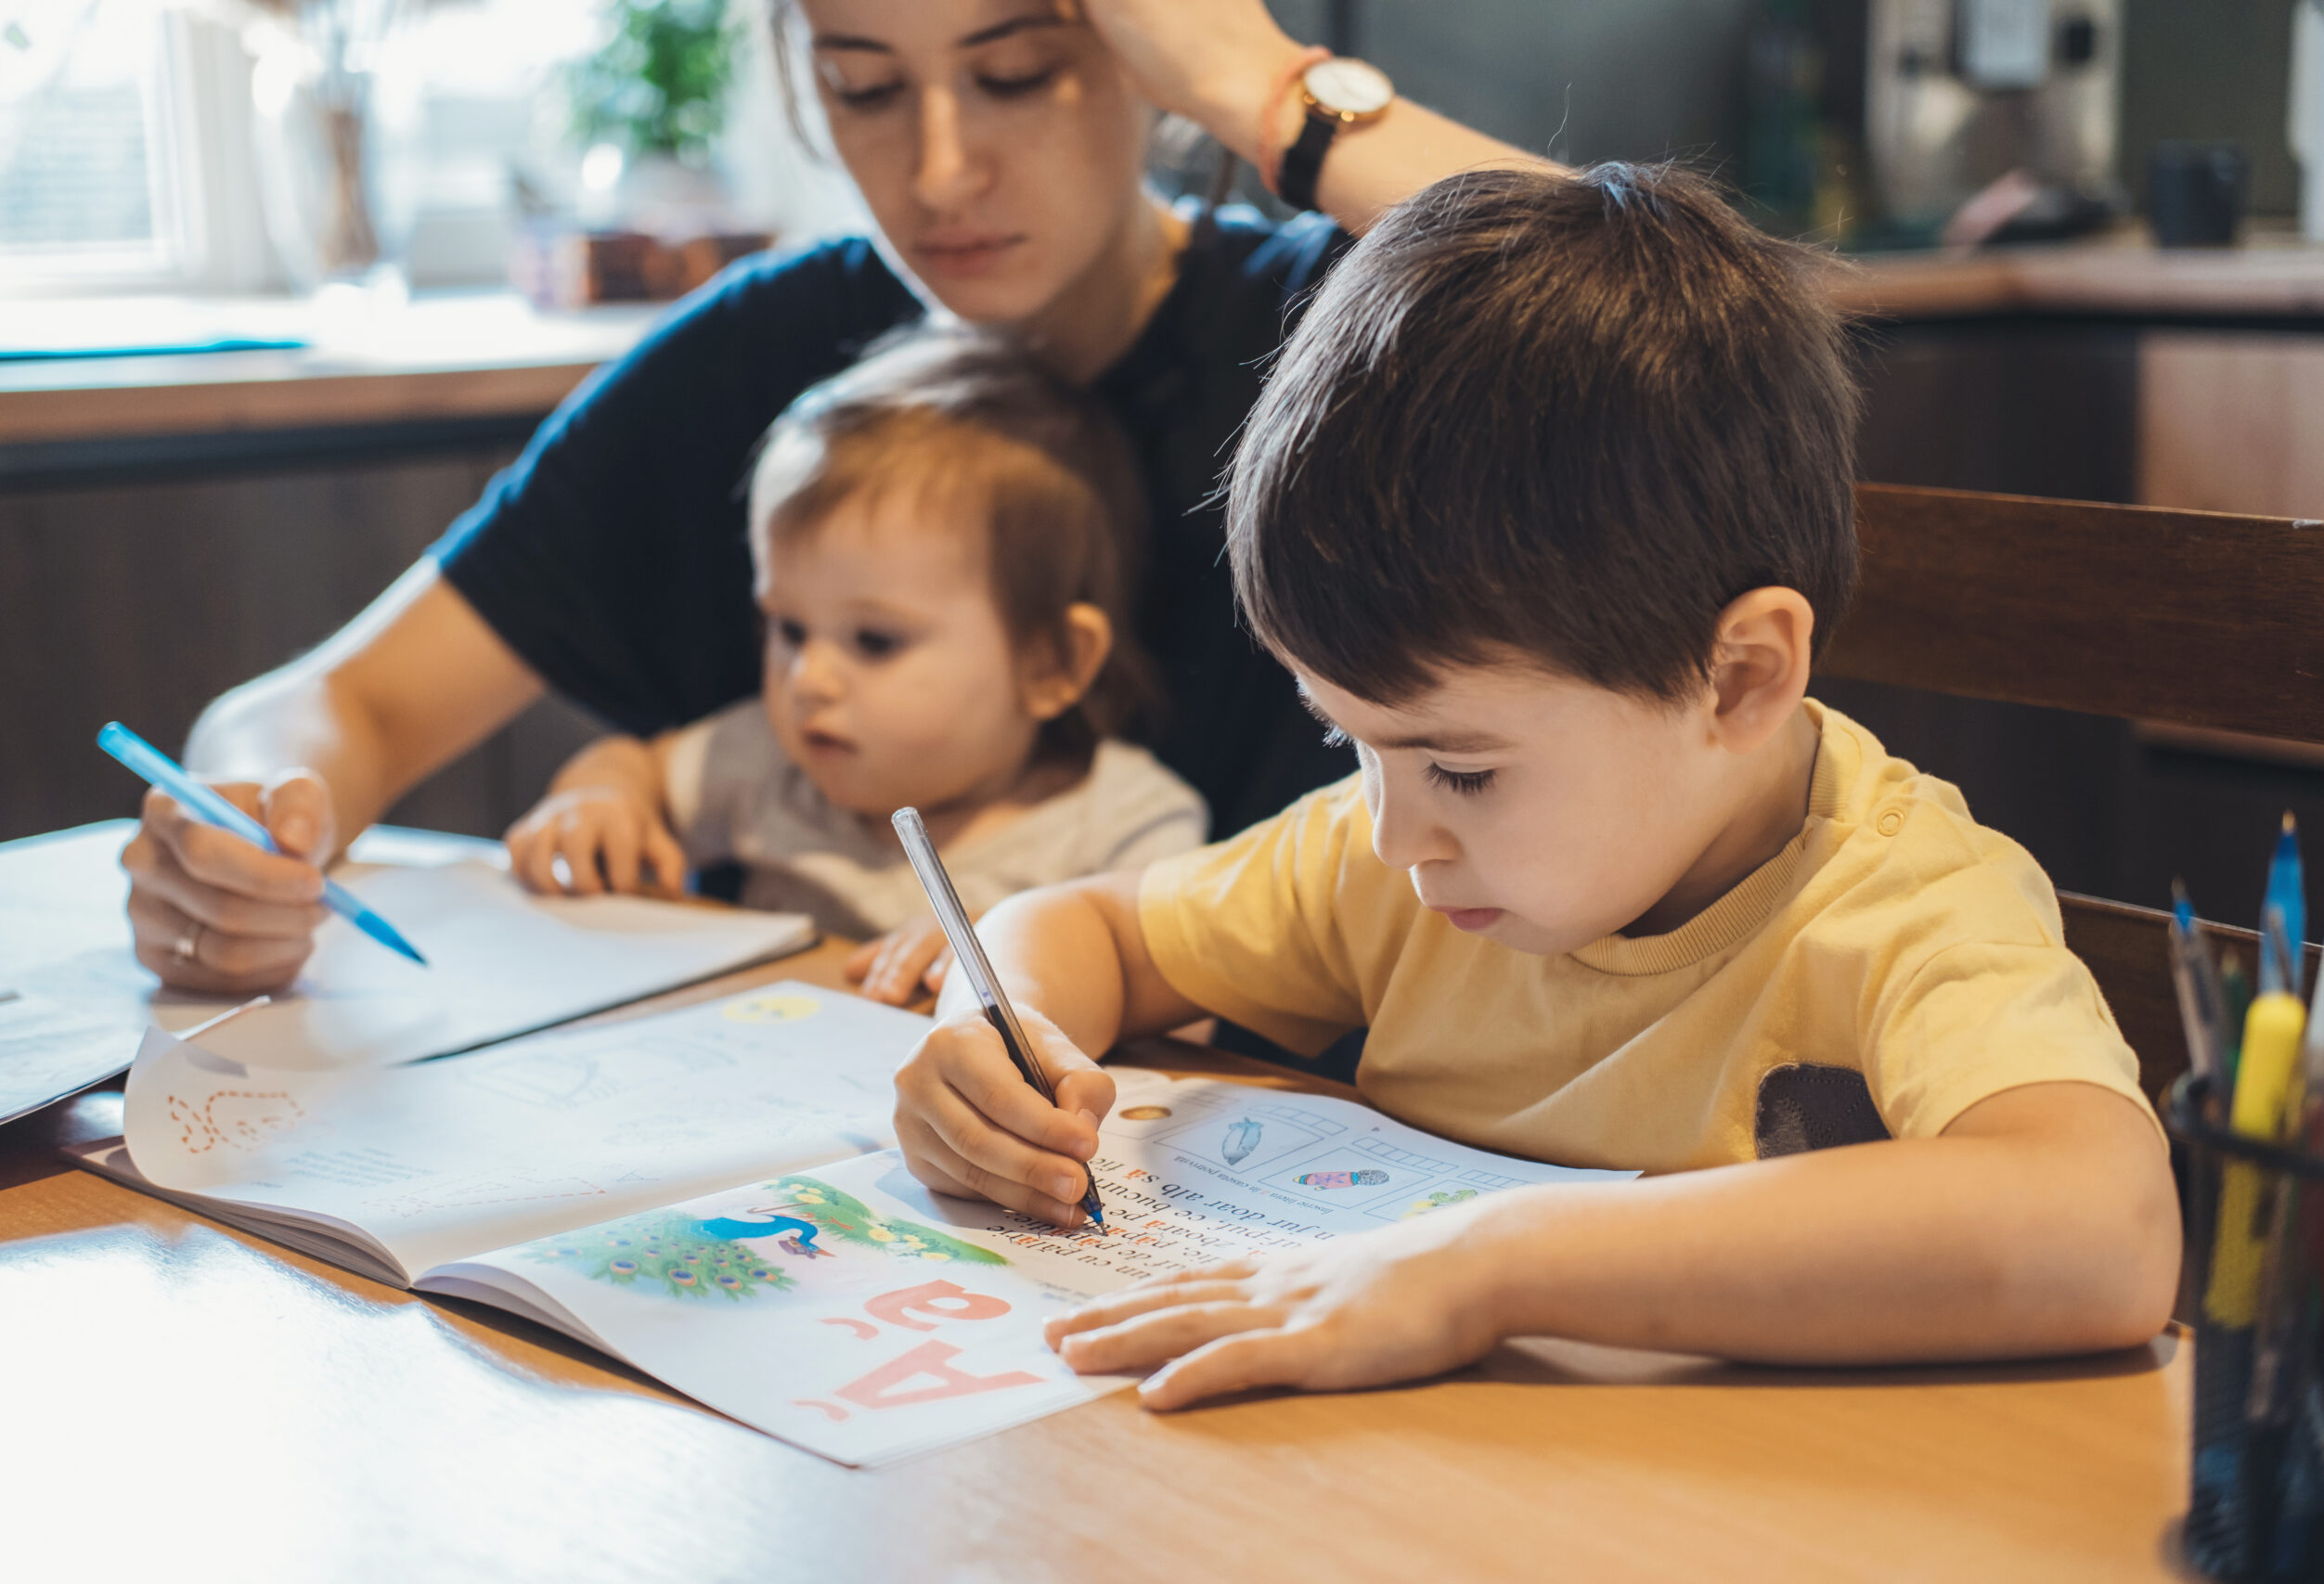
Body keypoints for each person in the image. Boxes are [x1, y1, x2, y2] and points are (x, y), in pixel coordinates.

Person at [890, 164, 2179, 1409]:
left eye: (1458, 765)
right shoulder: (1395, 851)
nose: (1397, 834)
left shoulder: (1905, 909)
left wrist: (1488, 1267)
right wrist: (988, 1033)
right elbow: (1092, 925)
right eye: (1352, 743)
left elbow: (2103, 1227)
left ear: (1738, 678)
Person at [123, 0, 1553, 996]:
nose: (938, 169)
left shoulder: (1346, 319)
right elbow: (339, 704)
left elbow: (1736, 335)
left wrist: (1269, 88)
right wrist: (244, 817)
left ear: (1146, 55)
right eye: (863, 85)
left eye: (1013, 72)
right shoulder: (766, 357)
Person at [501, 328, 1206, 1003]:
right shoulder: (770, 765)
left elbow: (1186, 1007)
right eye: (789, 628)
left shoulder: (1127, 825)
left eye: (874, 641)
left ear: (1051, 662)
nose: (809, 678)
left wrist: (1041, 958)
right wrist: (599, 798)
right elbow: (637, 767)